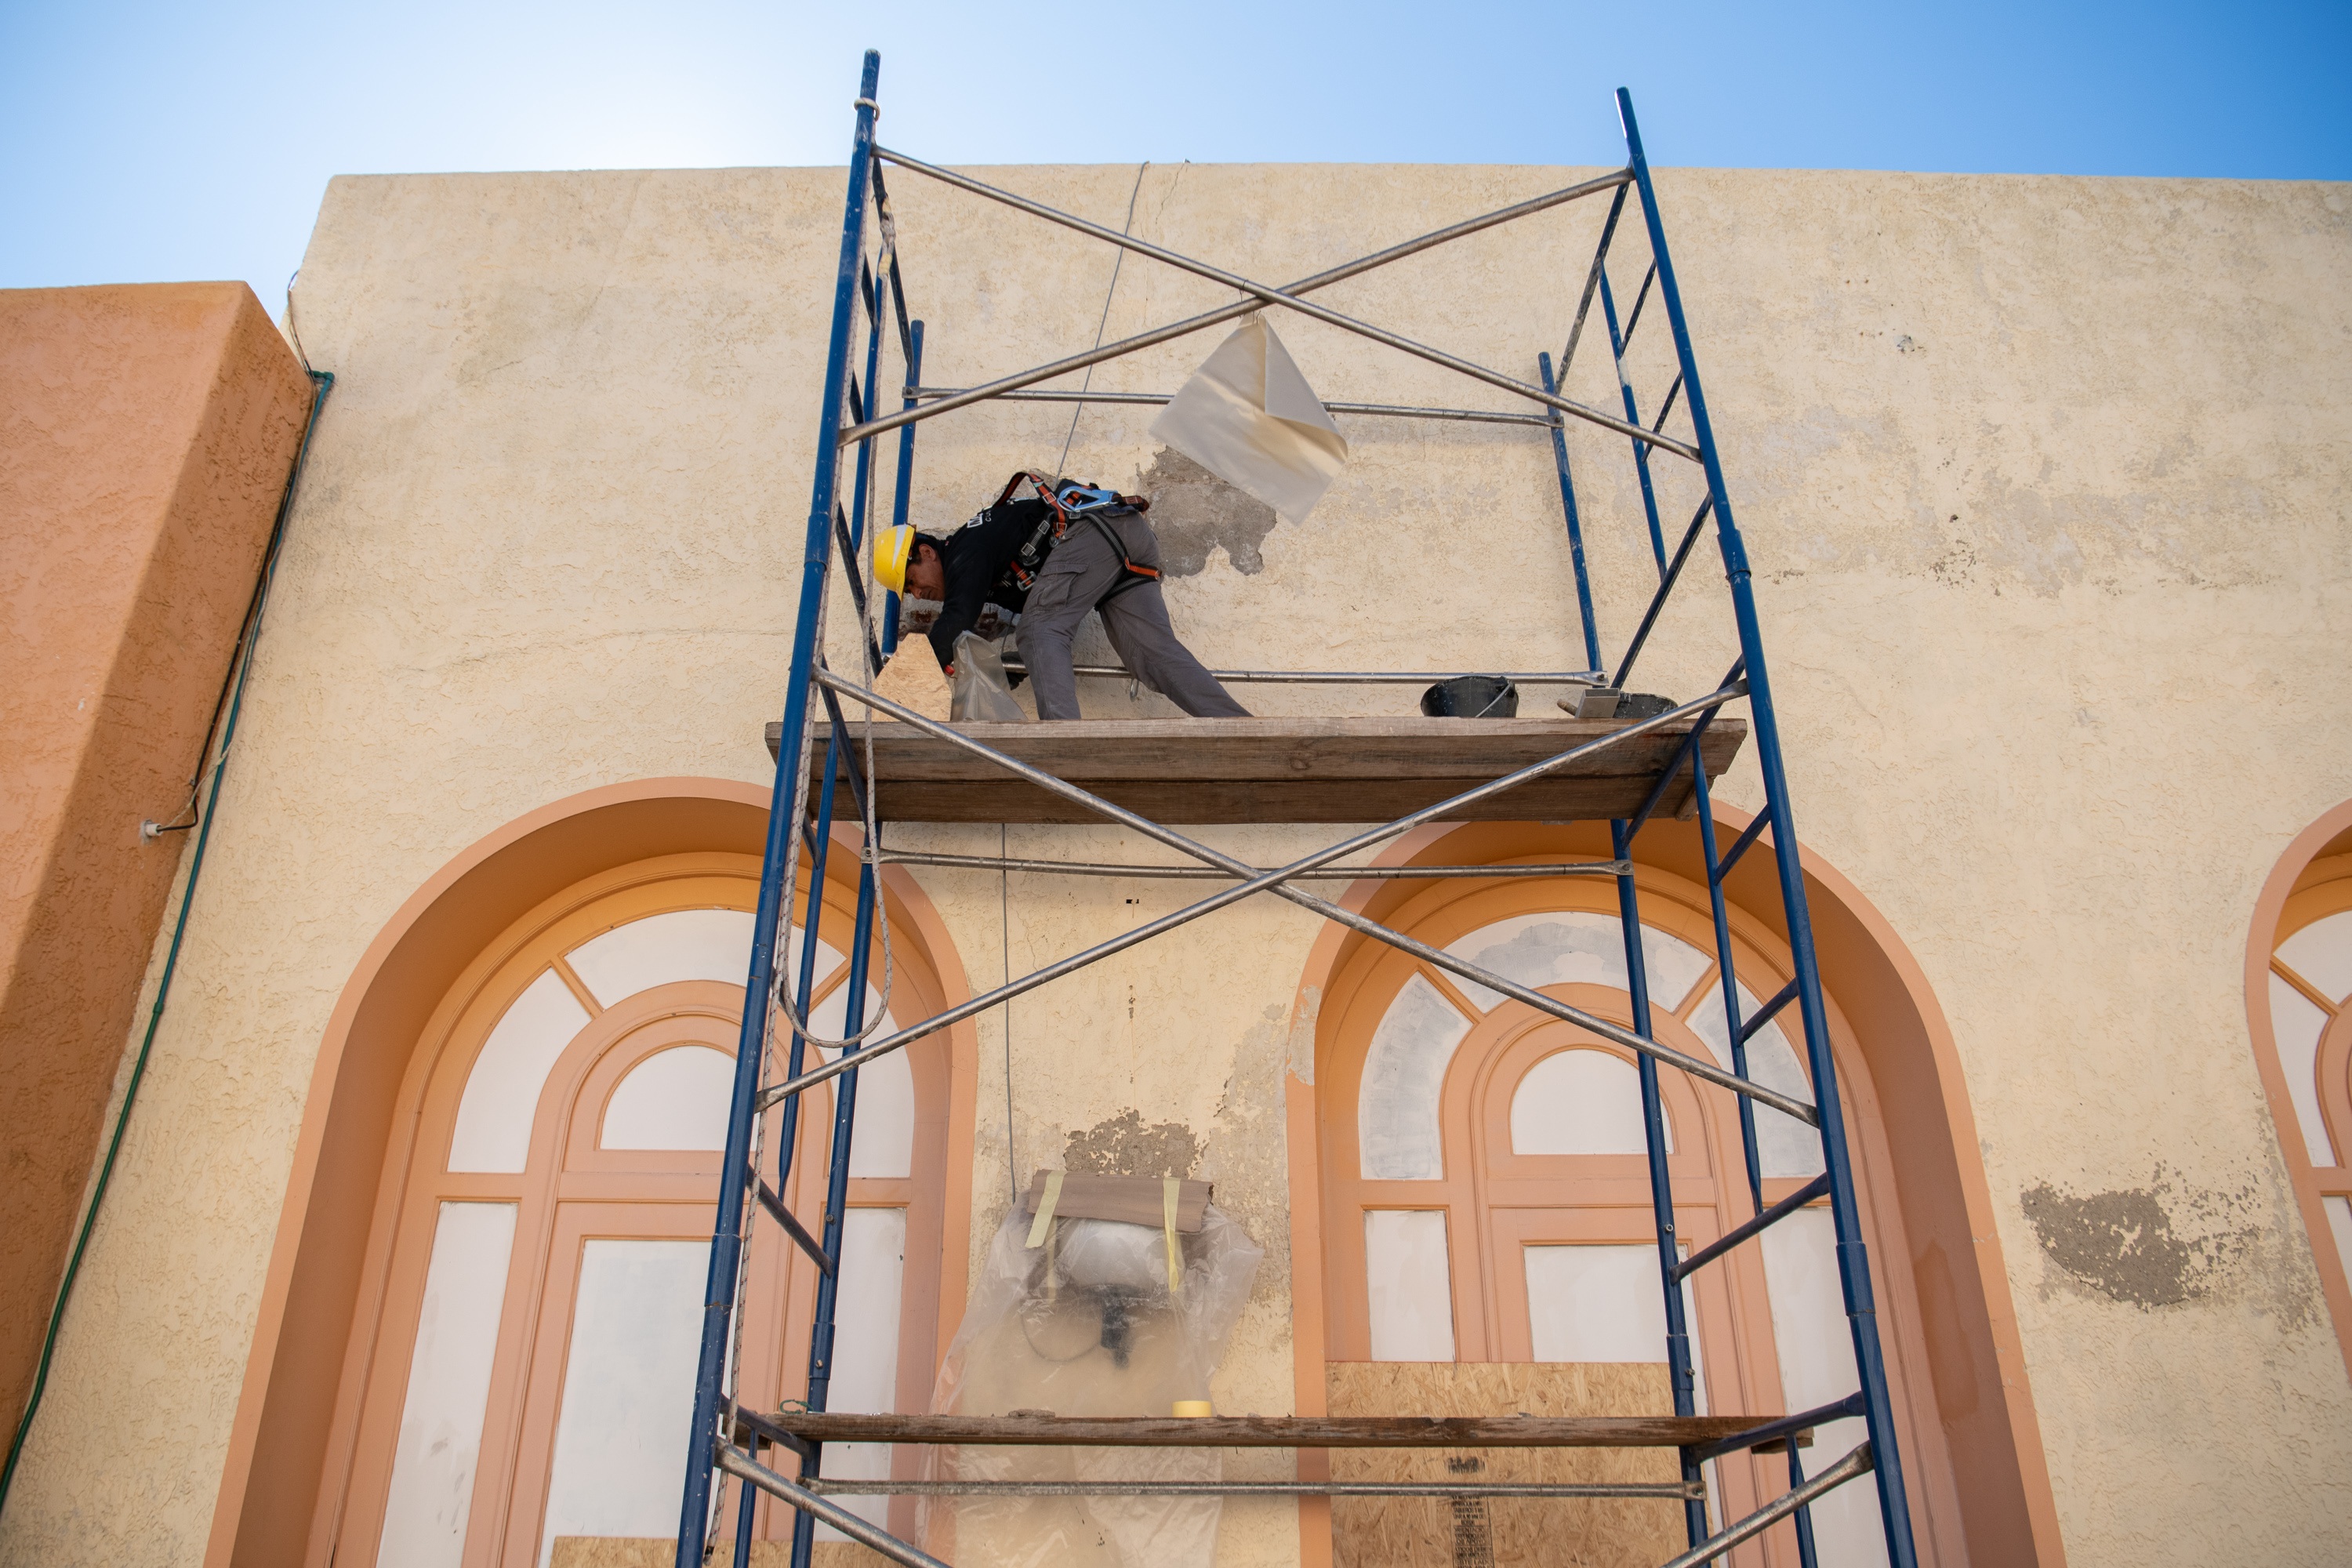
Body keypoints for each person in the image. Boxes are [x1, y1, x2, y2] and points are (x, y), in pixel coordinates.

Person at [876, 472, 1250, 722]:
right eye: (908, 592)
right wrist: (1013, 665)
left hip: (1093, 531)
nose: (917, 594)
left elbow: (958, 616)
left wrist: (899, 683)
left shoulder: (965, 548)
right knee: (1150, 655)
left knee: (1038, 631)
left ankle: (1063, 741)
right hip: (1125, 537)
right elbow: (1054, 604)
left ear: (925, 553)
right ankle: (1238, 729)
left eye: (910, 581)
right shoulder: (981, 561)